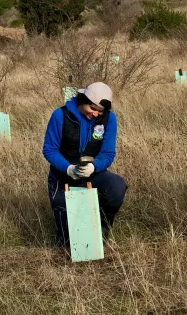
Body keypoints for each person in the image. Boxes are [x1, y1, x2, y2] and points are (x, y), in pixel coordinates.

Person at [42, 82, 127, 247]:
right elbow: (49, 150)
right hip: (62, 176)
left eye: (100, 111)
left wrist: (94, 167)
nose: (95, 114)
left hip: (93, 174)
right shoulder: (60, 115)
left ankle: (101, 230)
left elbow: (108, 153)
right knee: (67, 243)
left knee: (116, 186)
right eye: (92, 109)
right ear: (83, 100)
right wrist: (68, 168)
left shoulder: (110, 120)